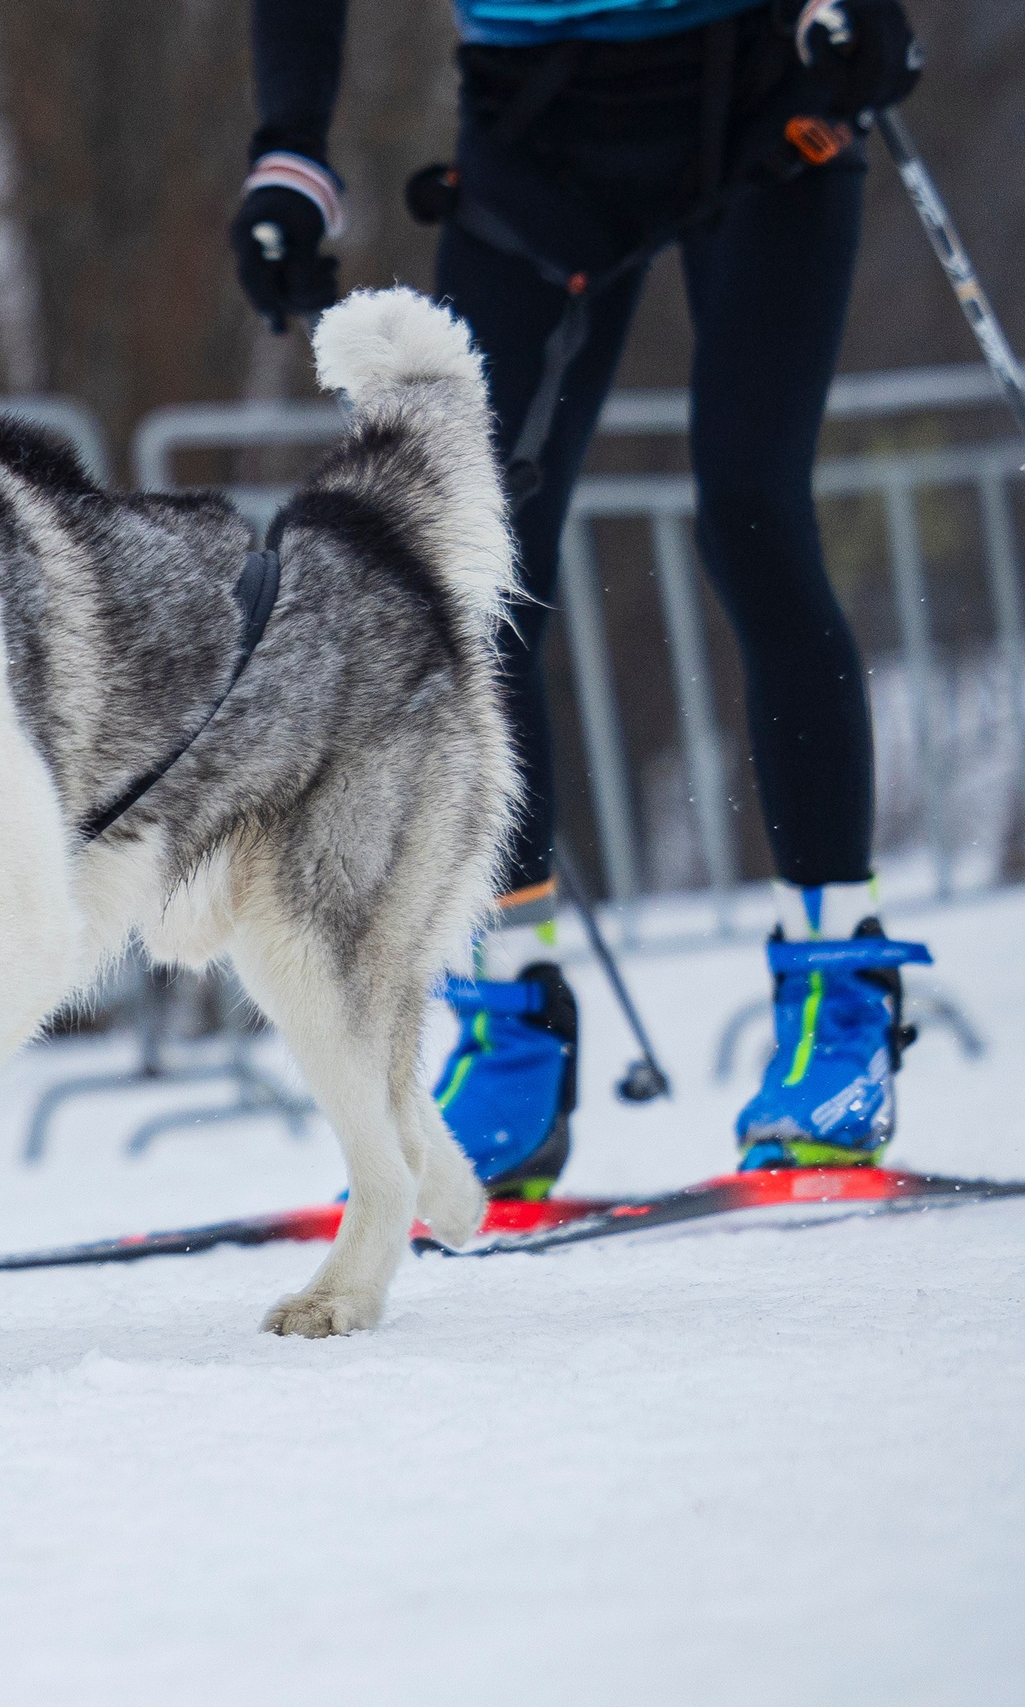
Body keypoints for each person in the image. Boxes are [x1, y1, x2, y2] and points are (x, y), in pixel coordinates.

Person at [230, 0, 933, 1192]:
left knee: (751, 506)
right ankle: (509, 1024)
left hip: (759, 78)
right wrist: (288, 152)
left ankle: (838, 991)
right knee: (469, 557)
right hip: (535, 123)